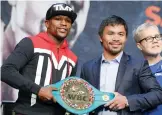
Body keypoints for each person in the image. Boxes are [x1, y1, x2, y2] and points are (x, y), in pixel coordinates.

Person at [1, 0, 90, 101]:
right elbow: (5, 71)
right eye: (57, 18)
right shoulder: (29, 44)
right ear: (47, 23)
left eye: (68, 20)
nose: (63, 23)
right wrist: (38, 90)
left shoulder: (72, 58)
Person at [80, 15, 162, 115]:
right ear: (101, 37)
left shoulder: (138, 65)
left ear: (126, 38)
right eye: (111, 34)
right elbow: (82, 101)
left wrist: (127, 101)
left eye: (121, 34)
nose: (116, 38)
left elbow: (158, 94)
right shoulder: (88, 67)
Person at [133, 22, 162, 115]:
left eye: (157, 36)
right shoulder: (134, 73)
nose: (155, 40)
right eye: (149, 38)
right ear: (139, 46)